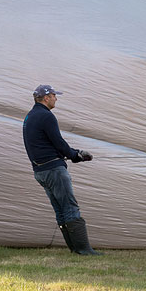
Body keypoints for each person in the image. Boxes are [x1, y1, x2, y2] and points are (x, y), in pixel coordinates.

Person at [22, 84, 101, 255]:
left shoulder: (30, 117)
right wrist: (76, 155)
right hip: (53, 170)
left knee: (60, 209)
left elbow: (41, 145)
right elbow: (58, 143)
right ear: (46, 97)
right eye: (54, 95)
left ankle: (74, 248)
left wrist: (72, 154)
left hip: (40, 171)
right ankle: (84, 249)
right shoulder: (46, 116)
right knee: (70, 207)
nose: (56, 98)